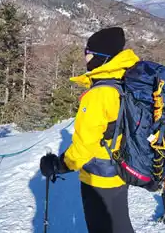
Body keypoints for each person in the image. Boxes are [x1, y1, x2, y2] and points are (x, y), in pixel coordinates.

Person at [40, 27, 139, 233]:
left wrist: (59, 165)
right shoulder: (124, 79)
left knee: (105, 227)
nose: (85, 58)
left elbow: (85, 146)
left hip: (100, 174)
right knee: (119, 224)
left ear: (102, 57)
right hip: (121, 166)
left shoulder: (99, 94)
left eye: (88, 53)